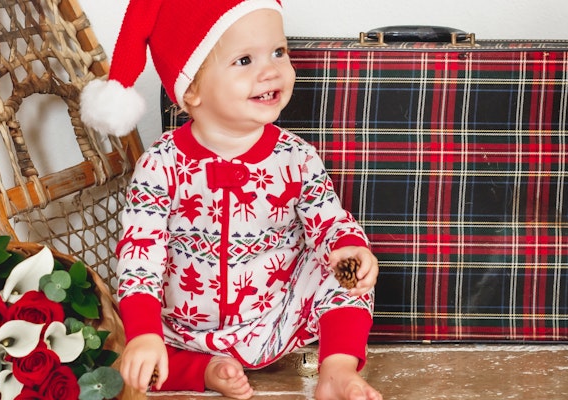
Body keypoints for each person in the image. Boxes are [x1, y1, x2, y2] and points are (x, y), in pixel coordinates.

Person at [80, 1, 381, 399]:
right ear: (191, 90)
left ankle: (336, 369)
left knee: (346, 272)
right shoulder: (160, 164)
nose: (271, 70)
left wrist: (347, 249)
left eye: (279, 52)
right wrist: (145, 333)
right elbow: (140, 252)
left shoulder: (296, 157)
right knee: (133, 350)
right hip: (182, 327)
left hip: (276, 314)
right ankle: (201, 370)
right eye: (244, 60)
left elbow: (327, 219)